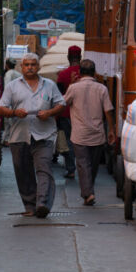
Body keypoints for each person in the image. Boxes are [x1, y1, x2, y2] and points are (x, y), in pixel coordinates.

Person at [0, 53, 66, 219]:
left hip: (44, 135)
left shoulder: (49, 85)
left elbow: (61, 104)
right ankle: (30, 205)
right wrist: (14, 112)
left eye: (33, 64)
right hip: (19, 136)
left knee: (44, 169)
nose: (29, 67)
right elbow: (1, 108)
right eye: (26, 65)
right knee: (23, 171)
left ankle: (42, 203)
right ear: (22, 67)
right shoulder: (12, 86)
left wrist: (49, 112)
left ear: (38, 67)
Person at [63, 60, 116, 206]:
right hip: (97, 134)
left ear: (79, 72)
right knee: (92, 165)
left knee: (83, 164)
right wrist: (111, 129)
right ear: (94, 72)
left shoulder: (73, 88)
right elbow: (108, 111)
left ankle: (88, 193)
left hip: (79, 134)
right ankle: (88, 192)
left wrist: (70, 85)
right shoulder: (102, 89)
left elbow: (62, 103)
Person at [54, 45, 82, 177]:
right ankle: (83, 169)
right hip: (84, 114)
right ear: (80, 57)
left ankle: (71, 169)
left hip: (66, 114)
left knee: (69, 141)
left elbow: (59, 96)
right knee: (83, 142)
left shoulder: (63, 75)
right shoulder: (87, 73)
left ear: (68, 57)